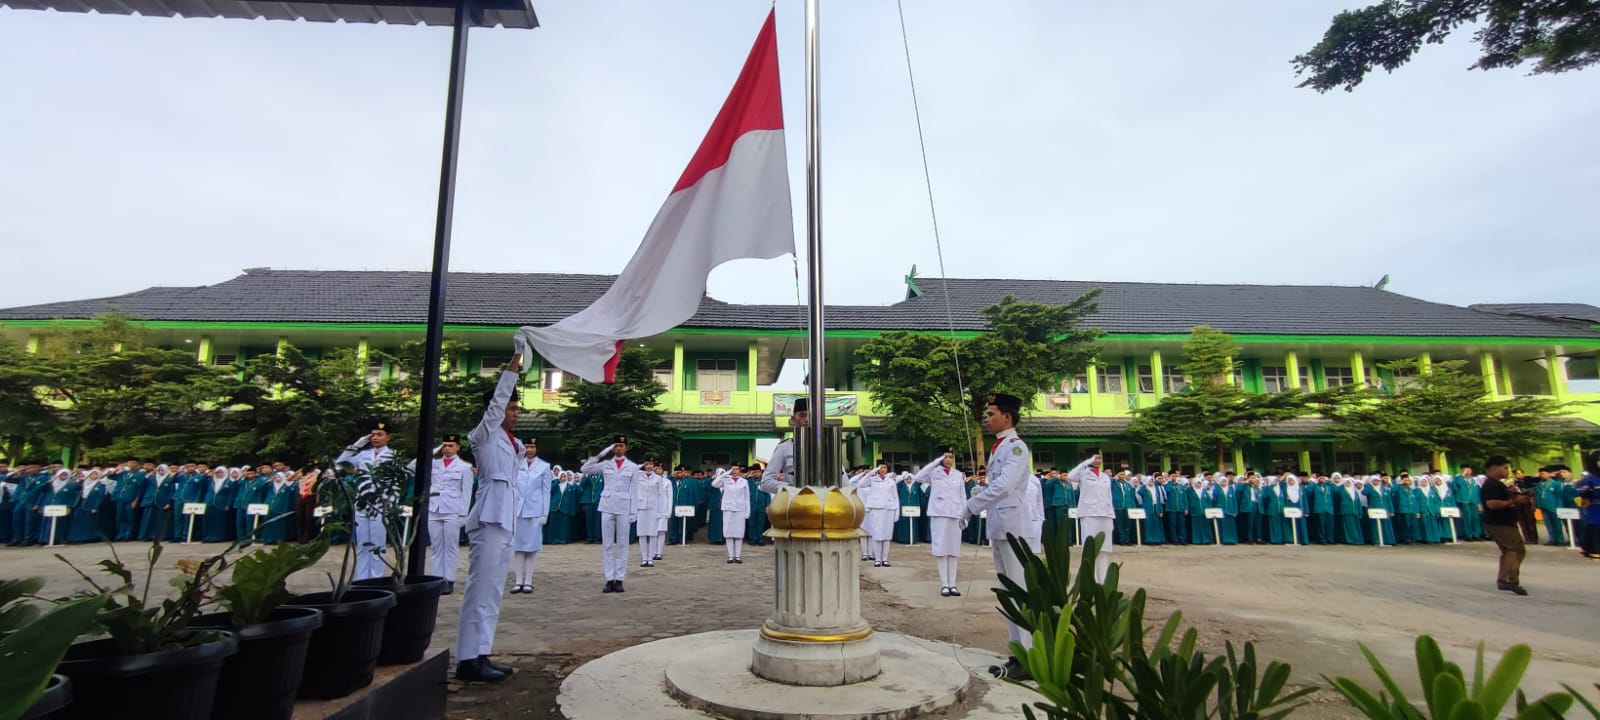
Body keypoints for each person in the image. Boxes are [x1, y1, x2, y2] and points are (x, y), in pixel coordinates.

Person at [456, 352, 525, 683]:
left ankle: (482, 653)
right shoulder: (483, 434)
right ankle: (467, 658)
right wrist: (516, 360)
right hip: (487, 520)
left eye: (516, 408)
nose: (515, 412)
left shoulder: (514, 444)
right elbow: (498, 399)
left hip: (506, 520)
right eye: (511, 408)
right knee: (479, 590)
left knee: (494, 591)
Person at [963, 393, 1033, 681]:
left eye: (991, 413)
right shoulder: (1000, 446)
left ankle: (1027, 657)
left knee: (1018, 593)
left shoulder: (1016, 448)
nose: (987, 418)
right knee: (1008, 593)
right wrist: (980, 493)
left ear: (1007, 416)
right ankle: (1018, 654)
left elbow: (1005, 486)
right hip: (1001, 527)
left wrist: (971, 505)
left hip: (1013, 529)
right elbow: (997, 485)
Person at [580, 435, 641, 593]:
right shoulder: (606, 464)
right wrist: (601, 454)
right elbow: (584, 469)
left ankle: (619, 578)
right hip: (606, 506)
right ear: (612, 448)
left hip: (623, 507)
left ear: (626, 448)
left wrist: (633, 511)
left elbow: (635, 490)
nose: (618, 448)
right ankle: (609, 579)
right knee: (607, 544)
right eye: (616, 446)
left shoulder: (632, 467)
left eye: (621, 445)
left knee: (622, 544)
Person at [336, 422, 396, 580]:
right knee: (362, 543)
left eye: (379, 434)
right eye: (373, 435)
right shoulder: (363, 455)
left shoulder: (392, 455)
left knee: (377, 544)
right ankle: (361, 579)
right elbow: (340, 464)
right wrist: (358, 444)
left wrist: (389, 503)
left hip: (380, 504)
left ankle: (376, 578)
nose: (375, 438)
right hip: (362, 502)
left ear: (388, 437)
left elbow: (395, 483)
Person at [914, 447, 966, 596]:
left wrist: (965, 514)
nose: (949, 459)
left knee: (954, 551)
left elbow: (962, 496)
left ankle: (953, 584)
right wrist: (936, 462)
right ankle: (944, 584)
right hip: (939, 514)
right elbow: (918, 476)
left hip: (955, 514)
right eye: (945, 457)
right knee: (941, 550)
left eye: (950, 457)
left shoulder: (957, 475)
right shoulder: (933, 473)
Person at [427, 435, 474, 594]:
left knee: (450, 547)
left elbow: (466, 492)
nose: (447, 448)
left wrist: (463, 515)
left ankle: (449, 579)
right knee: (436, 547)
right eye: (445, 445)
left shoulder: (464, 467)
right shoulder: (434, 464)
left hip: (453, 510)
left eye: (450, 445)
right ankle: (436, 579)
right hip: (434, 508)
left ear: (458, 447)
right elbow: (414, 466)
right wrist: (435, 450)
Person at [1480, 456, 1532, 596]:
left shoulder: (1497, 483)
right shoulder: (1491, 485)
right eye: (1505, 467)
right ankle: (1508, 580)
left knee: (1514, 550)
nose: (1507, 470)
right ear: (1494, 468)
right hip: (1499, 522)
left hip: (1503, 521)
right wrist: (1512, 501)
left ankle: (1505, 579)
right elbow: (1491, 504)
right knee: (1513, 549)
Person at [509, 437, 552, 595]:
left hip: (535, 510)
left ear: (537, 448)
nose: (529, 450)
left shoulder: (544, 466)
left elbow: (546, 491)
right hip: (518, 510)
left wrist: (544, 513)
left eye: (532, 446)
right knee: (518, 547)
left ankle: (528, 581)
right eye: (527, 446)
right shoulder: (516, 464)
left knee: (532, 548)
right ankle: (518, 581)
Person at [1069, 450, 1114, 583]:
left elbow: (1109, 497)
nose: (1098, 460)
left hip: (1105, 514)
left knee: (1105, 549)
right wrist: (1086, 463)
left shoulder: (1105, 477)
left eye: (1100, 458)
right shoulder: (1082, 474)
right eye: (1095, 458)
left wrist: (1111, 514)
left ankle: (1103, 580)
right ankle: (1090, 579)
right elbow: (1071, 476)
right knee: (1090, 547)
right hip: (1089, 514)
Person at [855, 463, 899, 567]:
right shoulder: (872, 479)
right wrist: (872, 472)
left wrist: (897, 512)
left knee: (887, 535)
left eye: (885, 467)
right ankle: (878, 559)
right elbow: (861, 483)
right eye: (881, 468)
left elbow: (895, 497)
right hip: (876, 509)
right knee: (877, 534)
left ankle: (885, 559)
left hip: (889, 509)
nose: (883, 470)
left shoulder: (891, 481)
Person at [711, 466, 750, 563]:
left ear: (740, 471)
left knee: (739, 533)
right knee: (728, 533)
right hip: (728, 509)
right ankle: (730, 556)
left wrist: (747, 511)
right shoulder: (725, 480)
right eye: (734, 469)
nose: (735, 471)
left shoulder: (744, 481)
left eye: (737, 469)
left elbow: (747, 497)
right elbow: (714, 484)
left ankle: (738, 556)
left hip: (740, 509)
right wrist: (726, 473)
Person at [1575, 450, 1600, 559]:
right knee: (1596, 527)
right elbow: (1580, 497)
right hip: (1596, 508)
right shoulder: (1589, 479)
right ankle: (1594, 549)